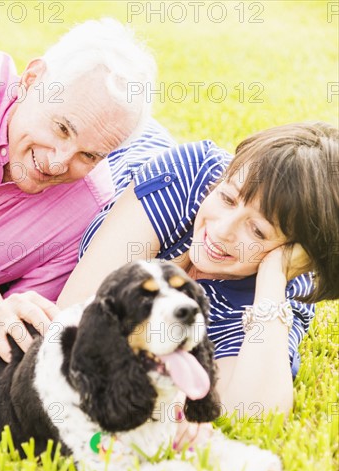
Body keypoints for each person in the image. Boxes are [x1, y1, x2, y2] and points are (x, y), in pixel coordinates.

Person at [57, 122, 339, 447]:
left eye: (258, 231)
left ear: (295, 252)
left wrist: (273, 277)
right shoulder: (188, 177)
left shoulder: (280, 291)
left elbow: (254, 417)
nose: (221, 230)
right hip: (123, 151)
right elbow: (77, 315)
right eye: (228, 199)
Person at [0, 18, 175, 361]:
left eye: (88, 155)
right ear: (31, 80)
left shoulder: (89, 211)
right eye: (61, 128)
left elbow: (17, 332)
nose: (58, 164)